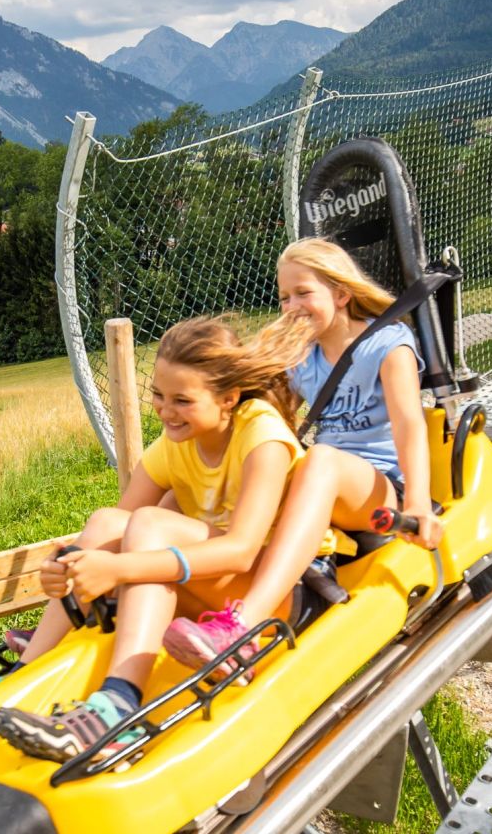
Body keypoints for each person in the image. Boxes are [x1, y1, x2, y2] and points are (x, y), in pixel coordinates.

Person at [0, 313, 312, 763]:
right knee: (106, 522)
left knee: (151, 526)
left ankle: (119, 708)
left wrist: (117, 568)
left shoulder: (261, 435)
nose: (166, 411)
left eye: (182, 400)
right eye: (158, 395)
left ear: (228, 398)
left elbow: (242, 551)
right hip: (207, 588)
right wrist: (69, 568)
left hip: (264, 600)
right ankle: (15, 678)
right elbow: (118, 525)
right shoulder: (178, 441)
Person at [162, 237, 444, 677]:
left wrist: (419, 504)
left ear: (341, 293)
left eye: (303, 293)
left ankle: (243, 627)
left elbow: (409, 424)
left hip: (379, 489)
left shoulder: (388, 343)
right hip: (320, 483)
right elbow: (266, 421)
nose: (292, 306)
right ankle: (128, 592)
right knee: (180, 494)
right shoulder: (302, 357)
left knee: (322, 459)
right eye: (284, 297)